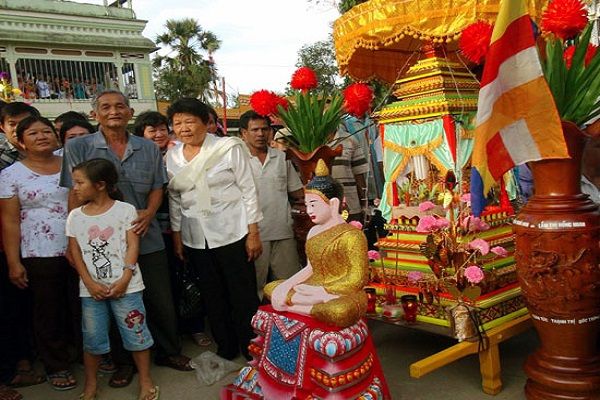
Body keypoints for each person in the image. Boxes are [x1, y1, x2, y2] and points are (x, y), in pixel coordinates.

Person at [225, 160, 390, 399]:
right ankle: (305, 305)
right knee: (273, 287)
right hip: (312, 290)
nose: (308, 210)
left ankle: (304, 305)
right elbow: (310, 268)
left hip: (339, 293)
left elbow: (357, 278)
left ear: (333, 204)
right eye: (306, 203)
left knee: (340, 311)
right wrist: (288, 285)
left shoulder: (352, 235)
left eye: (313, 204)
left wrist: (322, 292)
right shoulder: (314, 232)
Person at [60, 90, 191, 389]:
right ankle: (123, 364)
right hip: (100, 242)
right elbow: (73, 191)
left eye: (120, 106)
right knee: (114, 300)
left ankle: (169, 351)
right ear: (95, 114)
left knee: (159, 297)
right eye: (105, 107)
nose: (113, 111)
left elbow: (158, 186)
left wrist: (150, 212)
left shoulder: (146, 147)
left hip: (145, 235)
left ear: (130, 113)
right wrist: (74, 240)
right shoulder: (79, 147)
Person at [166, 98, 261, 360]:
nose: (184, 128)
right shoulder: (171, 156)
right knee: (212, 295)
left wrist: (253, 233)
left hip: (233, 231)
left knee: (242, 294)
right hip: (195, 236)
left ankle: (252, 347)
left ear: (206, 123)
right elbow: (175, 199)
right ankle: (226, 347)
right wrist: (177, 236)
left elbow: (248, 190)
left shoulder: (228, 147)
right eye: (177, 123)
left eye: (189, 121)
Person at [67, 158, 159, 400]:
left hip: (127, 287)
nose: (74, 187)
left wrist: (125, 278)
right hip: (91, 290)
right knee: (93, 338)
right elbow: (74, 251)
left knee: (136, 333)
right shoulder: (75, 216)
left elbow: (132, 245)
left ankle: (146, 381)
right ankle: (90, 385)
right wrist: (88, 282)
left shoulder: (125, 210)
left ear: (100, 185)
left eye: (78, 182)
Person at [0, 116, 76, 391]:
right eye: (33, 133)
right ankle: (57, 364)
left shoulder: (71, 164)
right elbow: (9, 221)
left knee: (79, 304)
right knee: (48, 309)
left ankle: (86, 354)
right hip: (38, 250)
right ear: (20, 142)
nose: (42, 136)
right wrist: (13, 261)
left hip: (77, 244)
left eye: (47, 131)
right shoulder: (10, 175)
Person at [133, 111, 211, 348]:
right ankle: (167, 332)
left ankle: (195, 327)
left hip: (181, 228)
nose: (158, 134)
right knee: (160, 286)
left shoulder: (179, 155)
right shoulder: (138, 160)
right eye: (151, 130)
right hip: (148, 232)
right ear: (141, 135)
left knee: (188, 280)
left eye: (161, 129)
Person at [0, 103, 43, 393]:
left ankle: (23, 359)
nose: (19, 129)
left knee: (20, 307)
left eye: (26, 122)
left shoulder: (48, 155)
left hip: (34, 245)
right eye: (13, 123)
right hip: (8, 243)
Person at [239, 111, 303, 298]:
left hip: (283, 231)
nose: (260, 134)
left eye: (264, 129)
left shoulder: (282, 158)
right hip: (251, 235)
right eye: (255, 129)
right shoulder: (237, 160)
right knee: (254, 289)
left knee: (288, 286)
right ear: (243, 133)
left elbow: (297, 192)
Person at [329, 123, 369, 223]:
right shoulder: (311, 143)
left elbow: (359, 175)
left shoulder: (350, 139)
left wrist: (365, 205)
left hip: (351, 205)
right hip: (323, 209)